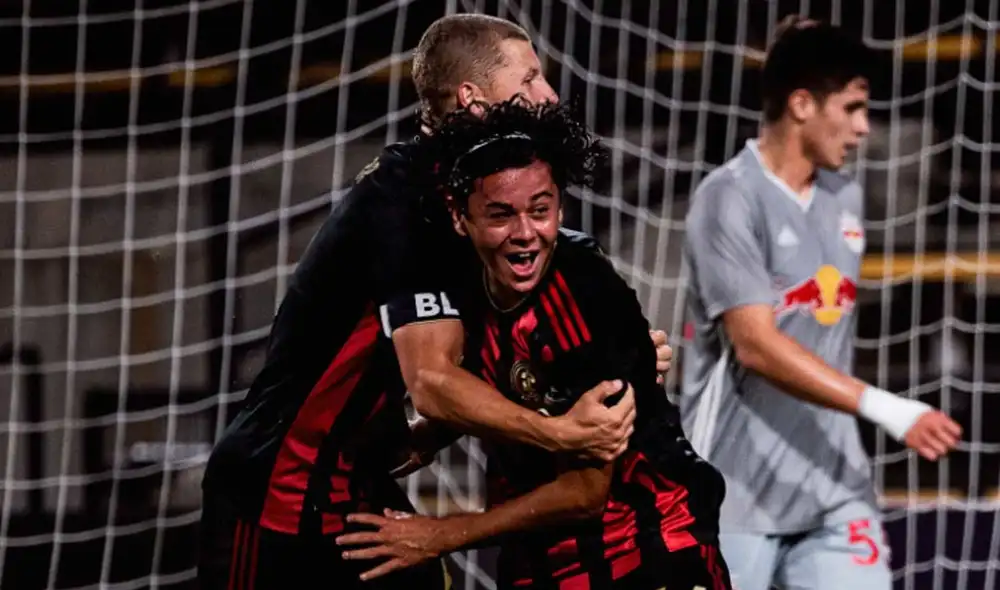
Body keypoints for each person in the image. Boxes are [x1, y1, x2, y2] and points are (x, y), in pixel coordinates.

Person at [196, 13, 674, 590]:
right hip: (281, 489)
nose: (548, 94)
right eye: (529, 80)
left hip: (357, 479)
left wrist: (615, 359)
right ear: (473, 99)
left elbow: (457, 380)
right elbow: (432, 382)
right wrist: (562, 433)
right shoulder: (410, 202)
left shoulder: (468, 195)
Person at [335, 98, 732, 590]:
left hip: (647, 543)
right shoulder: (453, 289)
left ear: (559, 208)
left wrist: (441, 534)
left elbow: (586, 492)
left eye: (540, 211)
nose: (525, 235)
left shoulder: (584, 289)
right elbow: (484, 387)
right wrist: (413, 441)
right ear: (462, 218)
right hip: (537, 559)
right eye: (501, 215)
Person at [679, 18, 962, 590]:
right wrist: (890, 409)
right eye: (853, 108)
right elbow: (755, 346)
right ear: (802, 104)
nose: (864, 128)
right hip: (734, 493)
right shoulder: (727, 198)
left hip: (835, 489)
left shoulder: (845, 195)